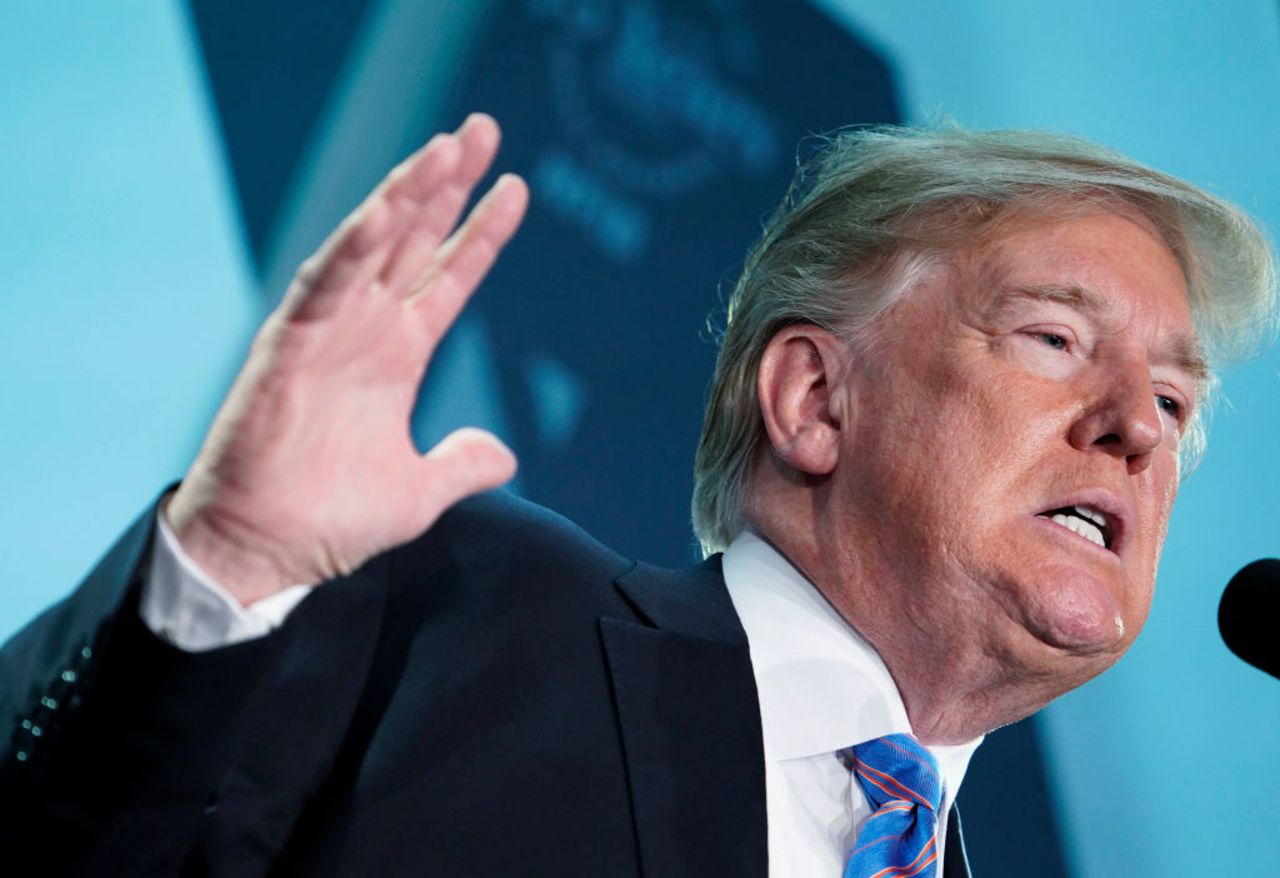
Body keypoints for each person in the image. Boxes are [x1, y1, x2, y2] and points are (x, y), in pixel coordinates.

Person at [0, 113, 1274, 877]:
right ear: (813, 401)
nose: (1131, 431)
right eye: (1053, 337)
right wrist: (223, 563)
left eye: (1173, 403)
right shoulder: (445, 602)